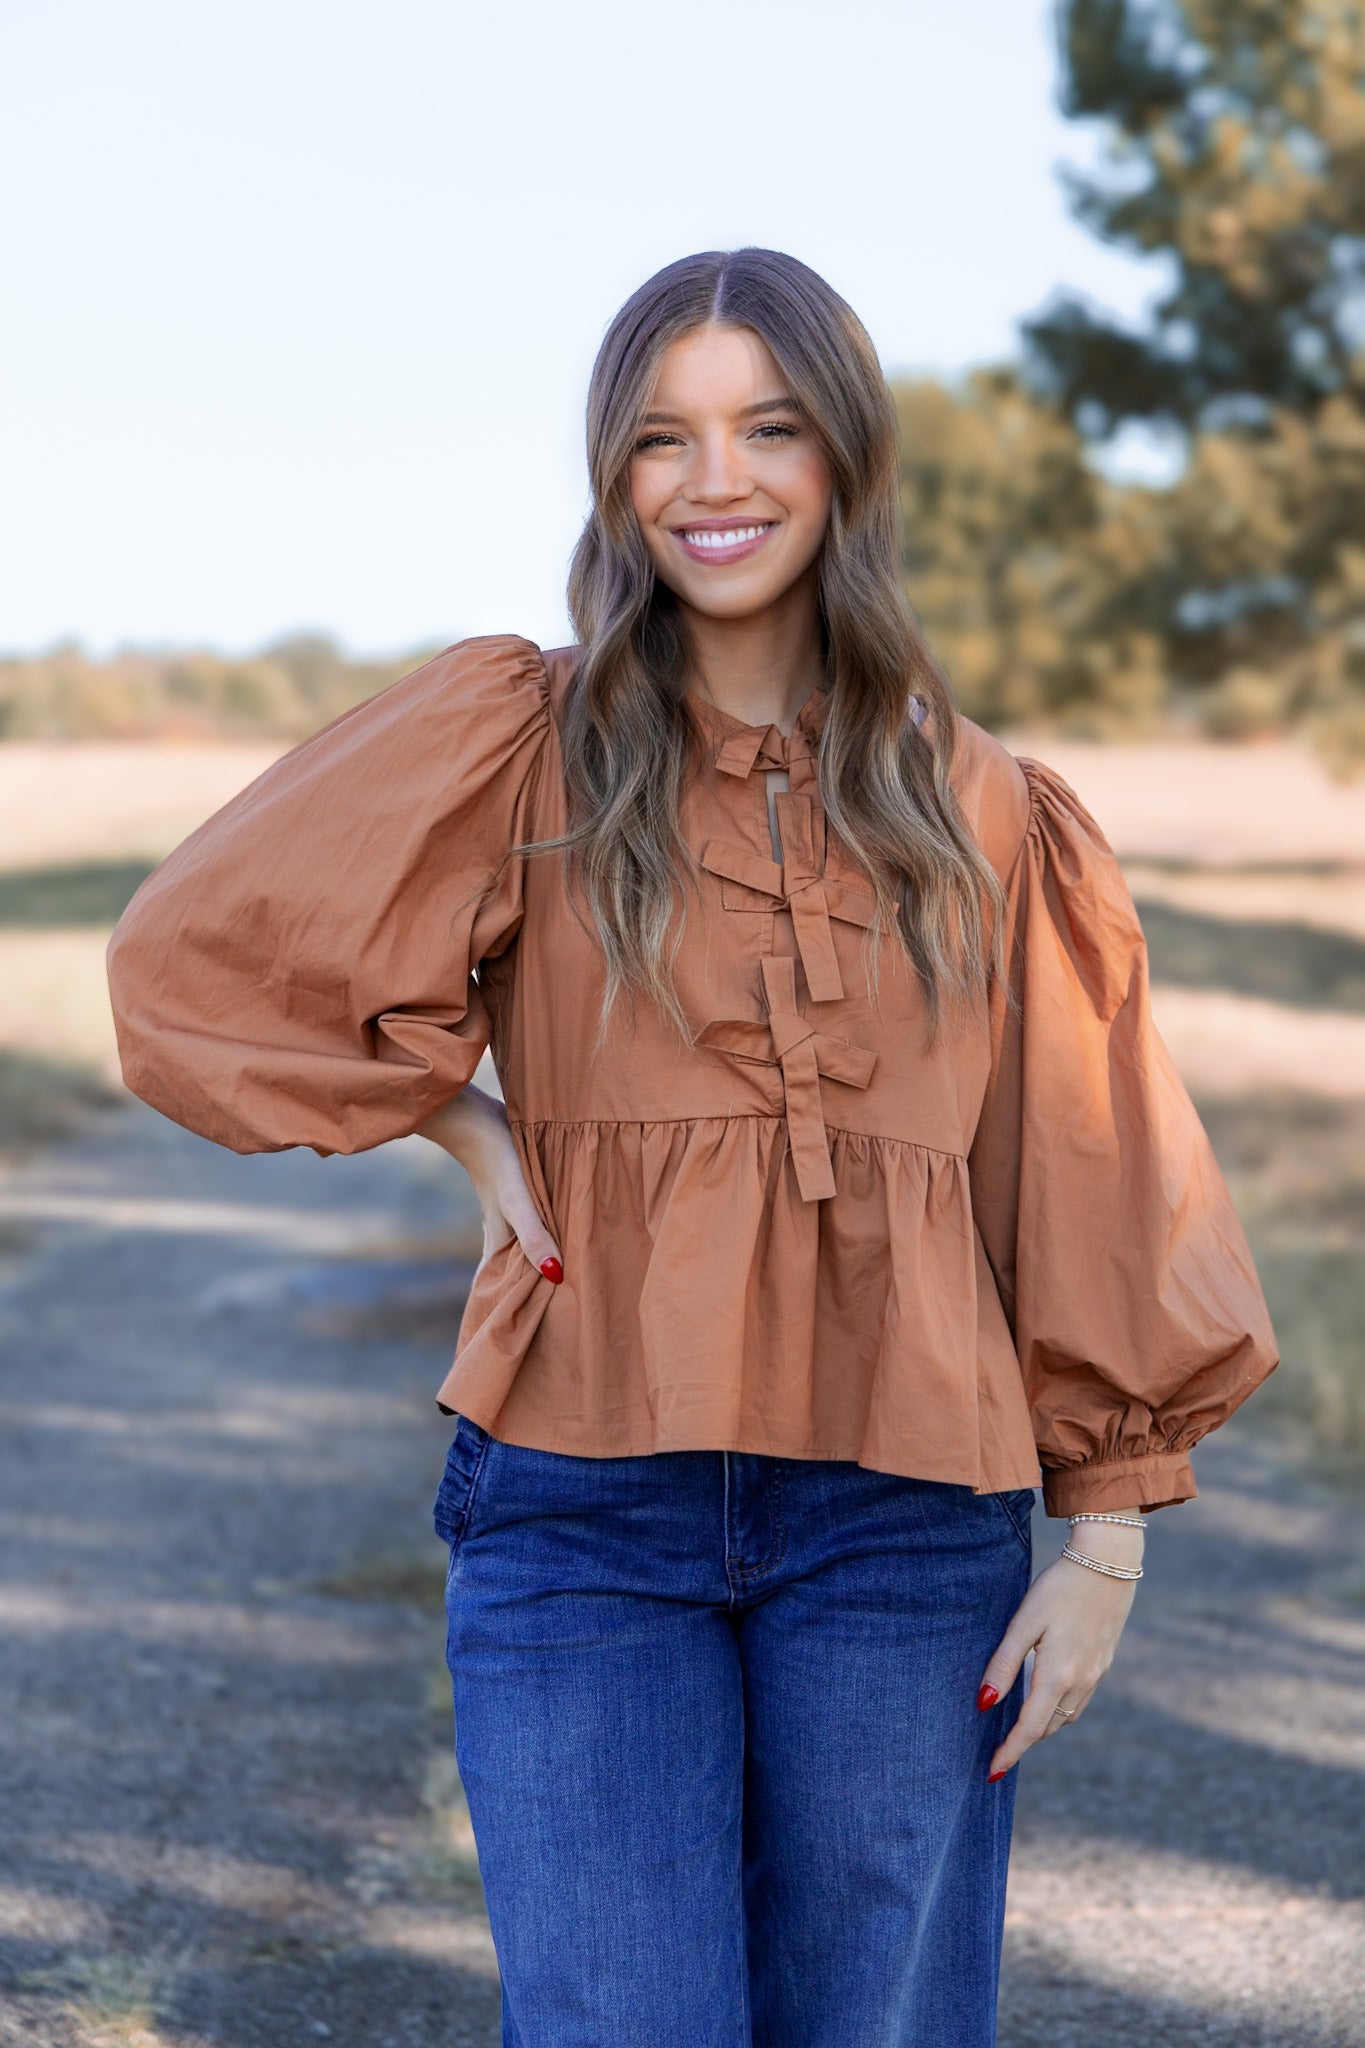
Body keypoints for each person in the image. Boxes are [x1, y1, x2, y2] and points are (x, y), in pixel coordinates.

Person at [105, 246, 1280, 2048]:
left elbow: (1083, 1168)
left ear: (847, 459)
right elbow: (200, 955)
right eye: (661, 438)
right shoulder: (521, 737)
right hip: (583, 1505)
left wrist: (1104, 1540)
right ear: (613, 474)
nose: (712, 481)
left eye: (767, 427)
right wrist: (459, 1116)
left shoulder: (988, 807)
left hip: (907, 1524)